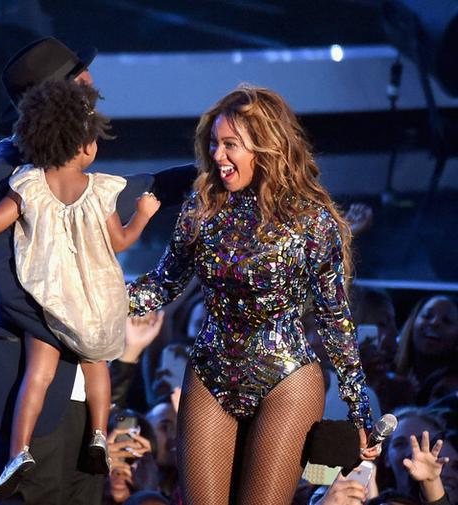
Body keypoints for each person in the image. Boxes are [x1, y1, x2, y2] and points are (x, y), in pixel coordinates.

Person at [128, 85, 377, 504]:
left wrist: (359, 409)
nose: (218, 156)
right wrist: (95, 298)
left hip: (287, 378)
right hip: (210, 372)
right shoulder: (201, 207)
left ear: (266, 147)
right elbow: (163, 284)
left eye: (230, 145)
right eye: (214, 144)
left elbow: (335, 319)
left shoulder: (312, 221)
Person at [0, 78, 161, 498]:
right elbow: (121, 240)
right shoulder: (100, 190)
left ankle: (19, 451)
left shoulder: (28, 184)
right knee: (97, 365)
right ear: (85, 147)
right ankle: (99, 435)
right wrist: (142, 215)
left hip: (49, 300)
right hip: (94, 301)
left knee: (38, 374)